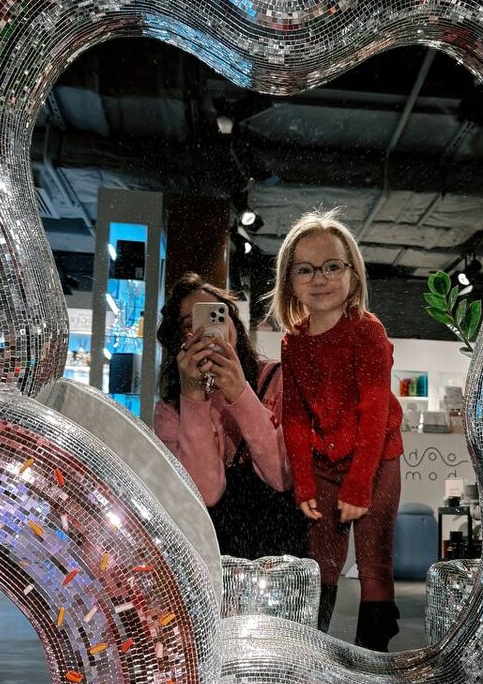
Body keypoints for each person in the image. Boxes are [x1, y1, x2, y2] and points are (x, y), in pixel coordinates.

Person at [269, 210, 403, 650]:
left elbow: (375, 414)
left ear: (353, 274)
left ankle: (375, 651)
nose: (319, 279)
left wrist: (360, 485)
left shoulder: (367, 332)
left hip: (375, 457)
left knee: (373, 558)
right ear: (289, 281)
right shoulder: (293, 341)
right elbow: (294, 416)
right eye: (305, 269)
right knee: (321, 558)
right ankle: (313, 646)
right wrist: (304, 482)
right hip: (324, 462)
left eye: (332, 266)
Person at [154, 273, 308, 560]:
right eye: (190, 324)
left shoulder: (275, 379)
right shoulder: (171, 411)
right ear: (178, 342)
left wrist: (239, 393)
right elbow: (206, 494)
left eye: (216, 317)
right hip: (212, 559)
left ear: (234, 326)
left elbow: (282, 475)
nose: (205, 331)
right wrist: (193, 396)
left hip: (281, 557)